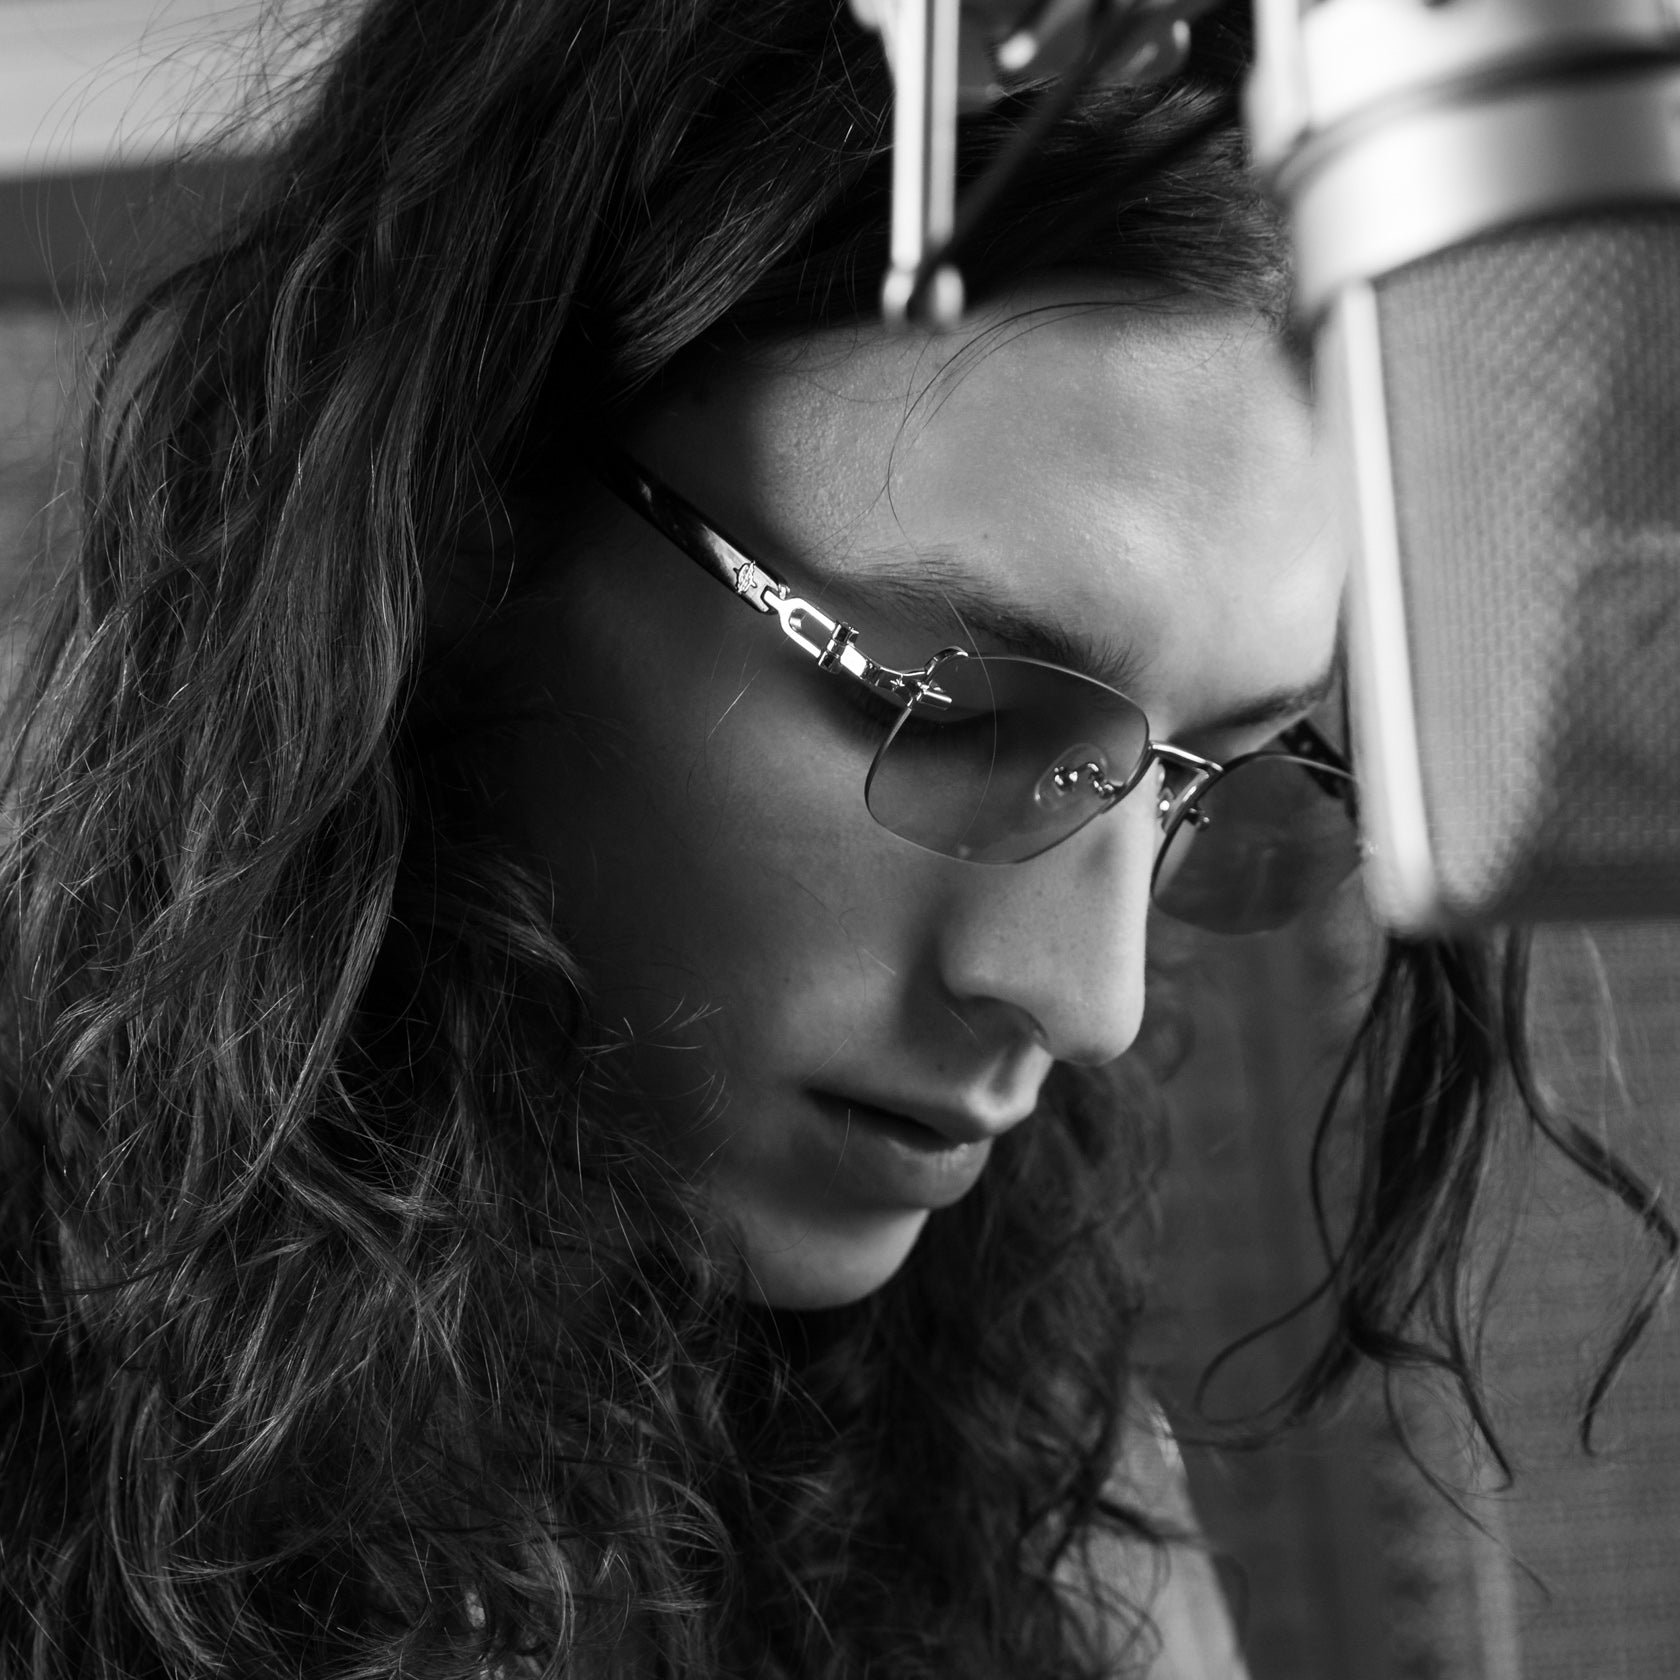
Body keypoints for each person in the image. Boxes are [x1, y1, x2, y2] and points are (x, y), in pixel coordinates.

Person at [0, 3, 1662, 1678]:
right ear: (461, 517)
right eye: (958, 716)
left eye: (1200, 781)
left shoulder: (1037, 1490)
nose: (1090, 1004)